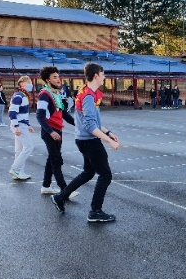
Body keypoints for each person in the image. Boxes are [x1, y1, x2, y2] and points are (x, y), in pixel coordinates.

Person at [50, 63, 120, 223]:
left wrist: (108, 132)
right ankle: (95, 211)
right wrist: (108, 140)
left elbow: (92, 122)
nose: (104, 77)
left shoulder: (87, 92)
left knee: (88, 173)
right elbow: (90, 126)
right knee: (106, 174)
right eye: (103, 74)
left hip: (83, 140)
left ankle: (61, 197)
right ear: (96, 75)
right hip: (89, 141)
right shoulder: (88, 96)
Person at [36, 66, 78, 197]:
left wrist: (78, 124)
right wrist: (50, 132)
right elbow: (40, 116)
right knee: (56, 160)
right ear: (47, 80)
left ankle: (46, 186)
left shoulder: (57, 94)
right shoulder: (44, 95)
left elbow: (64, 114)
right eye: (55, 77)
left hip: (58, 130)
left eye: (58, 76)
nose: (58, 79)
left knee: (52, 158)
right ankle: (65, 191)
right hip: (50, 132)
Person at [8, 76, 35, 180]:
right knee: (29, 147)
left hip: (20, 124)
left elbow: (21, 114)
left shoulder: (22, 95)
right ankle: (15, 169)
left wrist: (27, 125)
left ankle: (18, 172)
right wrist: (16, 126)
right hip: (19, 125)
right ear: (22, 83)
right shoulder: (20, 96)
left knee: (19, 150)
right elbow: (12, 112)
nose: (31, 84)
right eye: (29, 82)